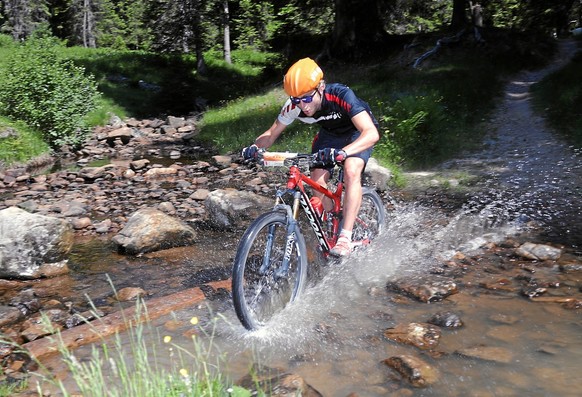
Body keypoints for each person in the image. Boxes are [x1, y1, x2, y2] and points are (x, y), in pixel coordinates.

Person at [242, 57, 380, 257]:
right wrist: (255, 147)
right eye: (297, 99)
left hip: (357, 132)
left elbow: (371, 133)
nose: (303, 105)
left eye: (307, 98)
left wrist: (344, 152)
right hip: (330, 135)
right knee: (317, 185)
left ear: (321, 87)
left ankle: (344, 237)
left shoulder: (341, 95)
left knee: (351, 170)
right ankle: (333, 221)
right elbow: (271, 134)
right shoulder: (294, 105)